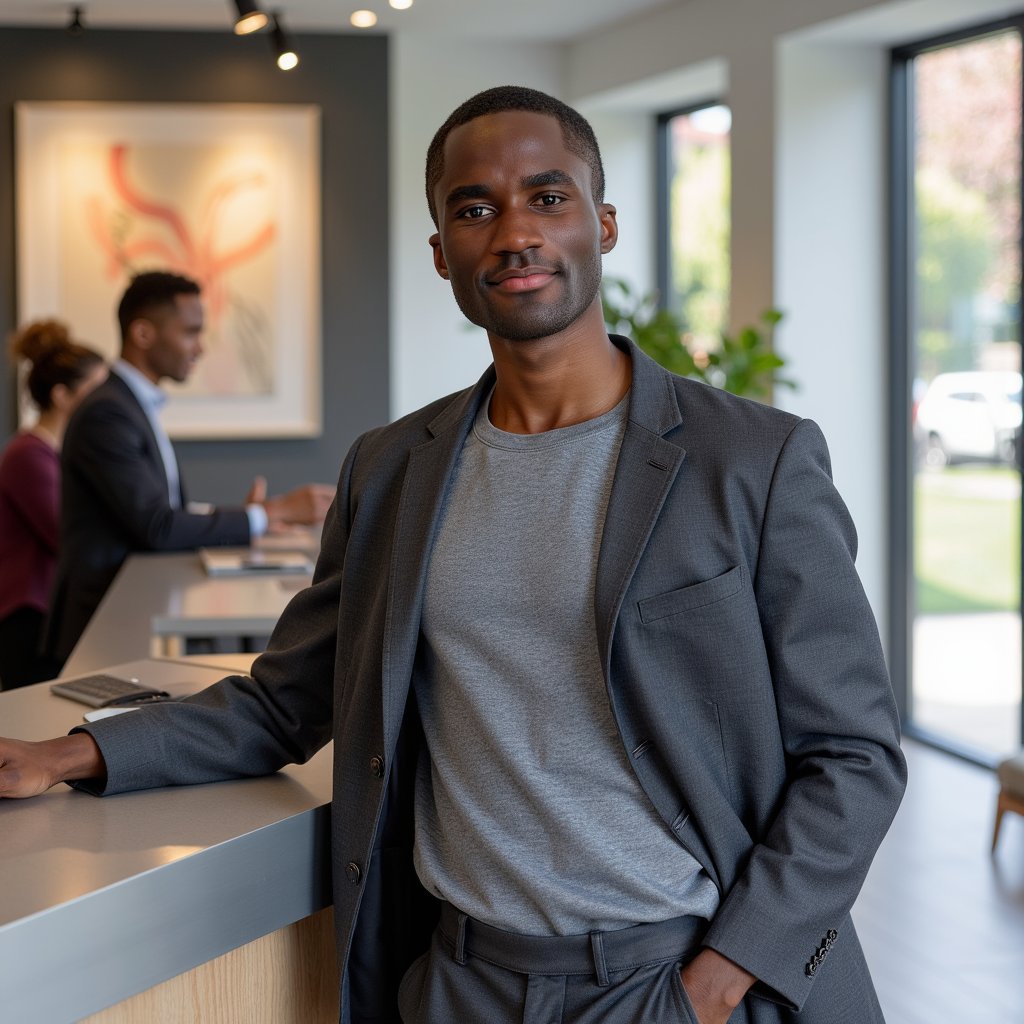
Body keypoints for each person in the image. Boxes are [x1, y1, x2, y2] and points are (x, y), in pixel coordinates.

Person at [0, 88, 906, 1024]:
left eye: (547, 198)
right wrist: (69, 755)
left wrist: (720, 978)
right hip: (458, 982)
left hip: (668, 980)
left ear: (603, 224)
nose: (514, 231)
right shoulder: (392, 469)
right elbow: (286, 701)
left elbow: (855, 754)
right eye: (474, 209)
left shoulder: (754, 459)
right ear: (442, 254)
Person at [41, 270, 334, 668]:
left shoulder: (128, 405)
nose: (200, 348)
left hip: (127, 611)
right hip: (103, 622)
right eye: (191, 332)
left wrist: (252, 519)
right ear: (143, 334)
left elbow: (163, 508)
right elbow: (158, 525)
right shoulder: (107, 413)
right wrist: (270, 513)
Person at [0, 321, 107, 689]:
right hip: (29, 618)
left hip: (49, 613)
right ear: (62, 396)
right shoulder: (28, 455)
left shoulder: (56, 454)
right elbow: (66, 533)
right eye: (95, 390)